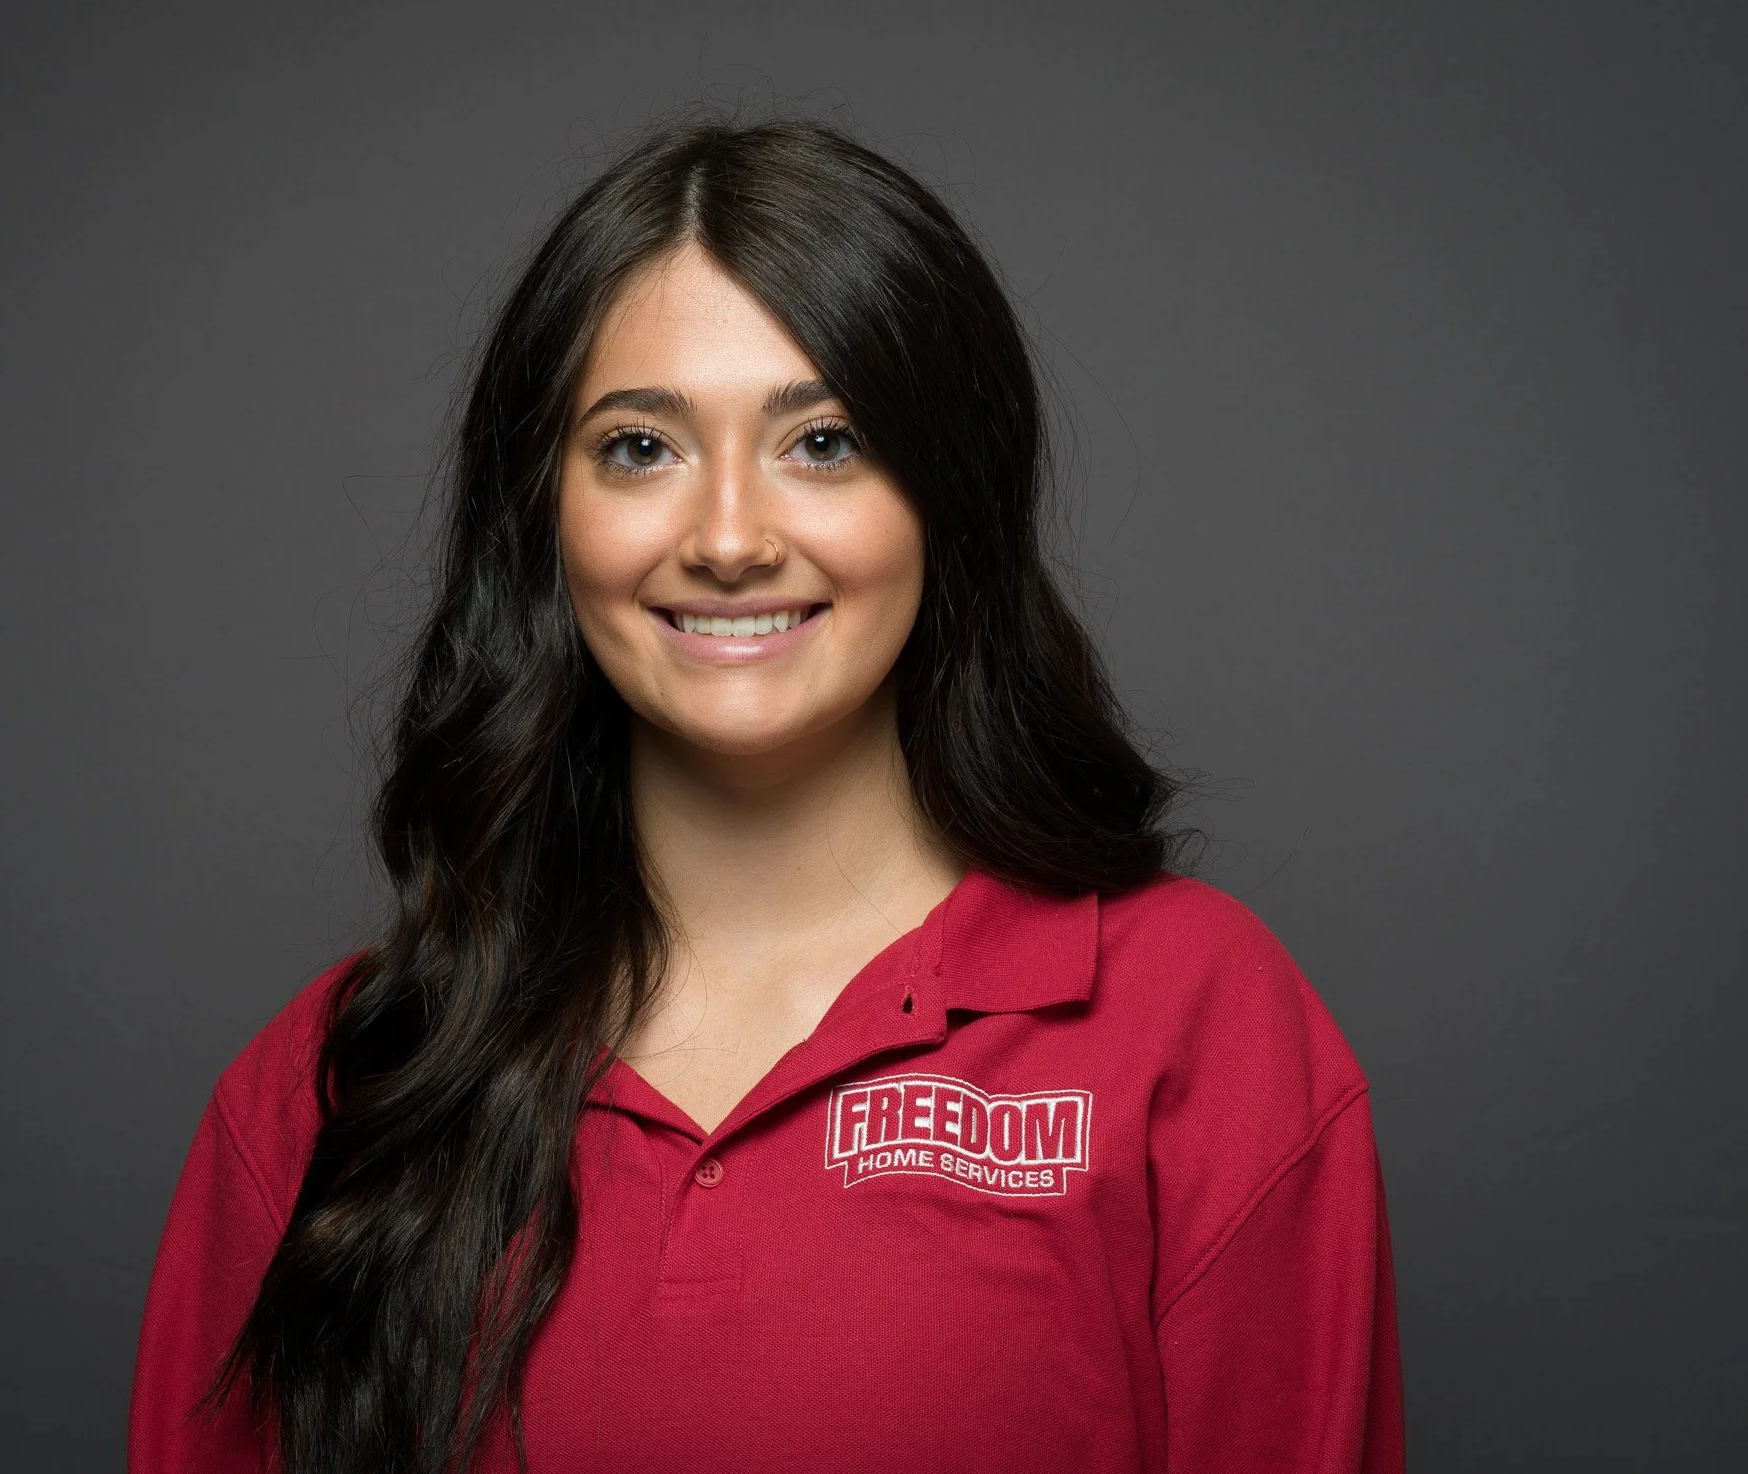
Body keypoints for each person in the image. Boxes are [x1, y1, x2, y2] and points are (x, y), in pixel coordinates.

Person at [128, 119, 1404, 1474]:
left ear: (949, 501)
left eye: (826, 440)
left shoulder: (1193, 1026)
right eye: (639, 449)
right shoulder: (344, 1087)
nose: (730, 538)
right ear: (542, 516)